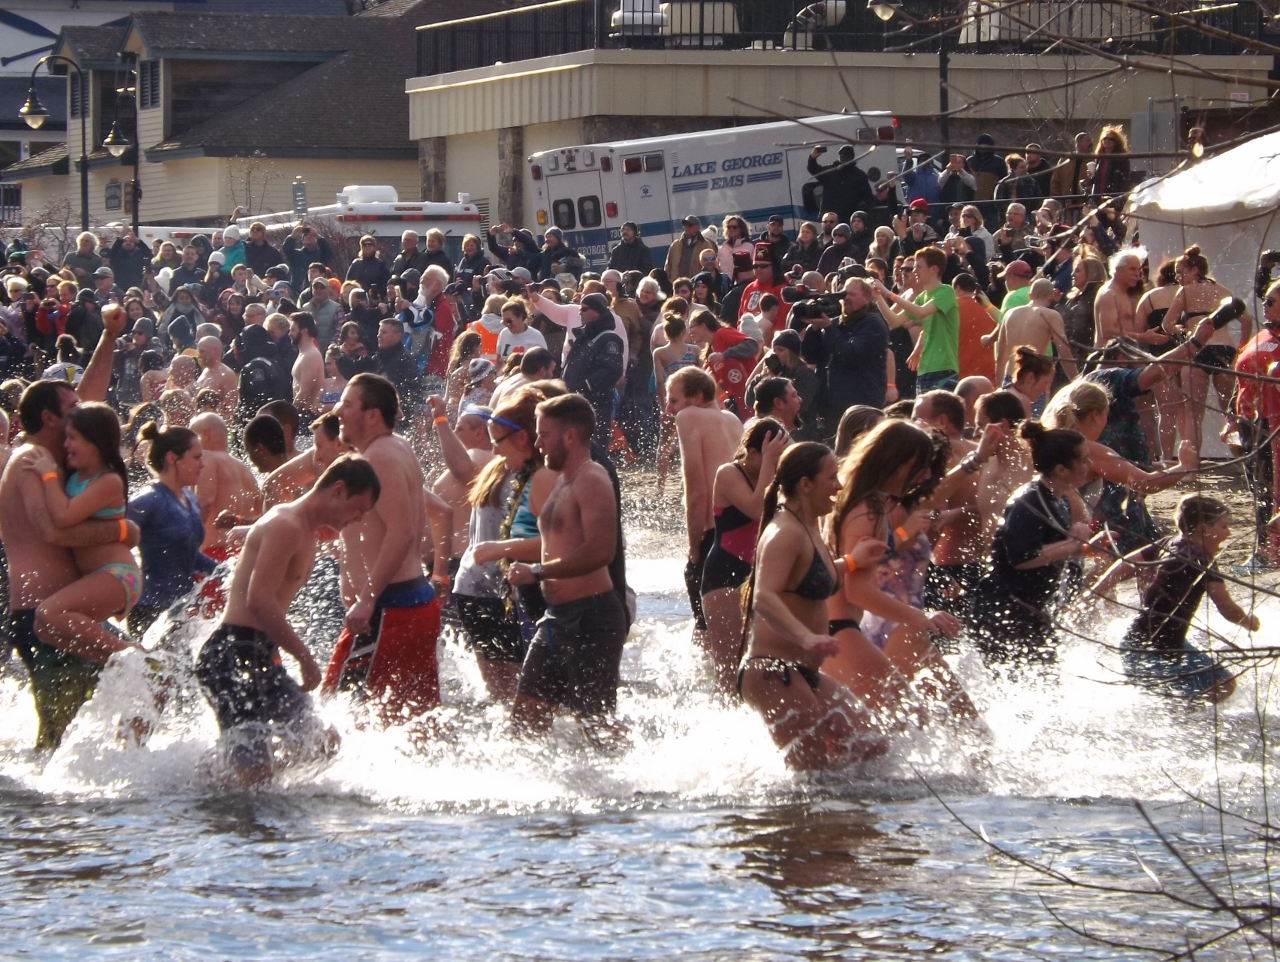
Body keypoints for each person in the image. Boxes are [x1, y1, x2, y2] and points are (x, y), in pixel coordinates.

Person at [197, 454, 380, 786]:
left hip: (257, 652)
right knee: (256, 774)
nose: (358, 519)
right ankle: (213, 791)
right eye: (359, 509)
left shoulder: (303, 529)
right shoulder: (287, 524)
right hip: (232, 653)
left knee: (322, 744)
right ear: (338, 490)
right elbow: (258, 601)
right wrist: (304, 658)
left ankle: (224, 780)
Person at [0, 306, 132, 750]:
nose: (80, 412)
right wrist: (121, 534)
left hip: (60, 614)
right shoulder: (29, 462)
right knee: (58, 740)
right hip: (38, 616)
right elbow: (53, 534)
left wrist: (108, 337)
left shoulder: (52, 455)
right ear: (49, 420)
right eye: (70, 409)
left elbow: (89, 398)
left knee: (111, 710)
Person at [738, 442, 890, 770]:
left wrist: (851, 562)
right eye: (831, 477)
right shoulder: (785, 532)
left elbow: (809, 575)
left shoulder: (808, 526)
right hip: (773, 670)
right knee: (813, 776)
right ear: (805, 484)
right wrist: (805, 637)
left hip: (804, 672)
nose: (839, 485)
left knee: (870, 744)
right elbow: (764, 597)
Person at [829, 419, 977, 718]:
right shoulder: (867, 512)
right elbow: (856, 590)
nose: (926, 474)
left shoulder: (871, 504)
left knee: (908, 728)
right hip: (862, 628)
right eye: (920, 466)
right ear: (897, 463)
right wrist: (922, 617)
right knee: (954, 723)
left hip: (866, 627)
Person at [506, 394, 627, 742]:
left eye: (544, 434)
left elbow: (601, 551)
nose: (538, 443)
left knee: (597, 727)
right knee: (525, 721)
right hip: (557, 617)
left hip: (592, 618)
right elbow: (560, 543)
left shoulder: (592, 478)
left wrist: (538, 573)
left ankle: (637, 773)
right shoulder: (563, 479)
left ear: (570, 436)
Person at [324, 373, 441, 723]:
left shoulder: (380, 457)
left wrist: (367, 599)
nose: (337, 411)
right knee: (411, 726)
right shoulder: (394, 447)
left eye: (347, 404)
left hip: (388, 611)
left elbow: (402, 532)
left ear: (373, 415)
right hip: (402, 606)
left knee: (336, 720)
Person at [968, 421, 1108, 668]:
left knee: (1048, 679)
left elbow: (1054, 551)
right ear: (1061, 470)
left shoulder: (1057, 498)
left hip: (1030, 610)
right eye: (1084, 460)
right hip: (1002, 610)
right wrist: (1073, 544)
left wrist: (1086, 548)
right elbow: (1022, 557)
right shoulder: (1029, 503)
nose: (1090, 464)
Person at [1091, 495, 1252, 702]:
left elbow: (1128, 563)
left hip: (1139, 643)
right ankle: (1186, 713)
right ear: (1204, 529)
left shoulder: (1169, 543)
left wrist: (1094, 593)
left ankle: (1185, 710)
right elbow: (1227, 608)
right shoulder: (1201, 561)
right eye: (1224, 526)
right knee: (1219, 685)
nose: (1228, 533)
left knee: (1220, 682)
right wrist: (1248, 621)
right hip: (1152, 653)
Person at [27, 402, 141, 661]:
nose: (66, 444)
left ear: (95, 441)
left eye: (72, 438)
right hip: (98, 575)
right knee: (43, 629)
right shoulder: (76, 477)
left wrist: (47, 475)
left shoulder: (109, 481)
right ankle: (118, 663)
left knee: (48, 613)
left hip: (117, 575)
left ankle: (135, 655)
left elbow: (63, 516)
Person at [700, 418, 787, 692]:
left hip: (760, 576)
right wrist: (770, 464)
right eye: (773, 457)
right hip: (725, 574)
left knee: (761, 669)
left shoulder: (775, 478)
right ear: (752, 453)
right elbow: (756, 509)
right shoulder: (728, 473)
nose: (778, 464)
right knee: (729, 672)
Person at [667, 366, 745, 633]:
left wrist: (693, 548)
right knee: (738, 628)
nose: (669, 409)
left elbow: (697, 490)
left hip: (714, 534)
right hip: (745, 534)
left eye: (674, 400)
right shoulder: (732, 420)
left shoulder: (689, 416)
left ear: (697, 396)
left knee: (706, 632)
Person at [126, 421, 216, 638]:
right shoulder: (149, 500)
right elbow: (113, 538)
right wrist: (125, 585)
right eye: (196, 457)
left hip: (181, 608)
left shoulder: (190, 498)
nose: (202, 464)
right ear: (172, 458)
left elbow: (188, 554)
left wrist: (225, 571)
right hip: (149, 609)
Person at [1164, 245, 1249, 455]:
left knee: (1194, 415)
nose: (1178, 278)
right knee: (1231, 412)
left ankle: (1192, 465)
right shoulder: (1223, 290)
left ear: (1195, 271)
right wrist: (1241, 349)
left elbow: (1167, 324)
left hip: (1199, 349)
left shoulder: (1186, 291)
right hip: (1225, 350)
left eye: (1180, 272)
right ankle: (1242, 460)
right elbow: (1246, 320)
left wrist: (1181, 331)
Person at [872, 246, 959, 392]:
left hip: (944, 367)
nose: (914, 271)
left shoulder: (946, 291)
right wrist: (879, 297)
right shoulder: (922, 297)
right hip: (924, 368)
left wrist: (888, 293)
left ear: (934, 269)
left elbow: (921, 312)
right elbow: (895, 321)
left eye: (919, 267)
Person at [190, 412, 260, 562]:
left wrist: (188, 541)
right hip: (244, 554)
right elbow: (260, 515)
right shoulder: (245, 470)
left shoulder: (206, 458)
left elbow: (205, 501)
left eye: (192, 437)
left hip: (213, 553)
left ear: (205, 434)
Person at [194, 335, 238, 421]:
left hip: (215, 423)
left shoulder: (226, 374)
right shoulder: (204, 371)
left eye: (202, 351)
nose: (199, 356)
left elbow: (231, 408)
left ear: (215, 350)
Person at [289, 312, 324, 415]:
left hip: (308, 413)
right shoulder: (304, 353)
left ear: (304, 331)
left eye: (293, 330)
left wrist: (290, 415)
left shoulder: (311, 355)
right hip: (303, 412)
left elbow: (305, 392)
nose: (290, 334)